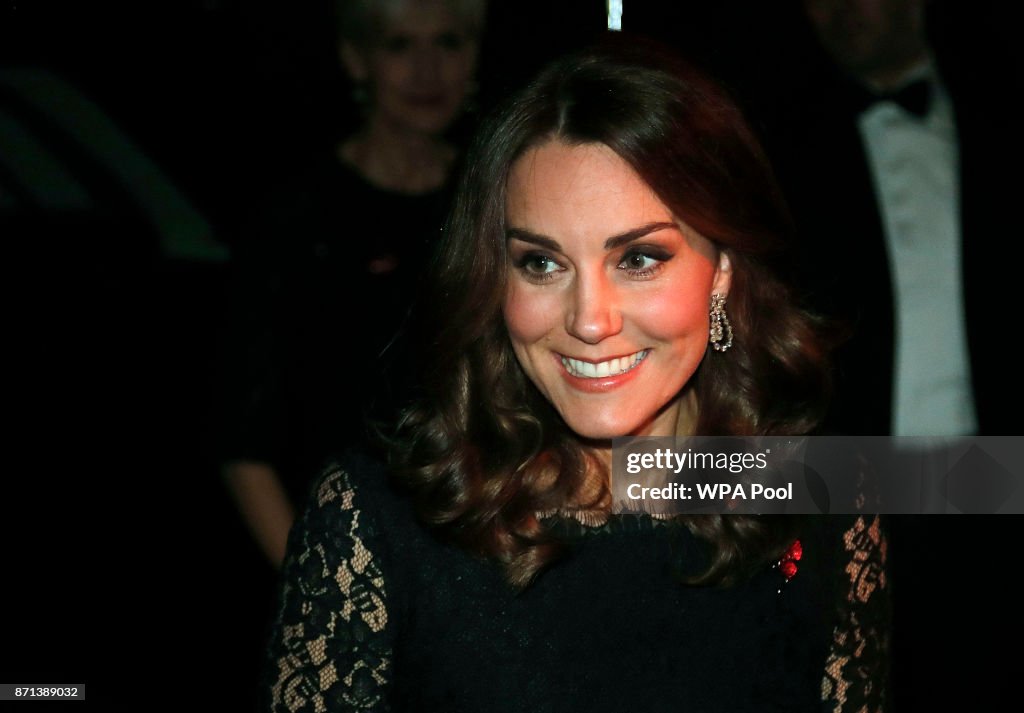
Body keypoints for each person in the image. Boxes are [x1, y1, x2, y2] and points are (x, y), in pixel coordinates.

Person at [264, 37, 889, 712]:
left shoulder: (826, 505)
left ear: (723, 274)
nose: (590, 320)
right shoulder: (379, 518)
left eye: (640, 258)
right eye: (542, 263)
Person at [219, 0, 486, 568]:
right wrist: (320, 586)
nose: (427, 69)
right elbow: (244, 443)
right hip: (332, 555)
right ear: (355, 58)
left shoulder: (499, 199)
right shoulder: (294, 218)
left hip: (476, 555)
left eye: (448, 43)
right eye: (399, 46)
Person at [761, 0, 1022, 435]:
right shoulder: (783, 149)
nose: (839, 9)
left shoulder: (1001, 125)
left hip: (993, 464)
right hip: (846, 469)